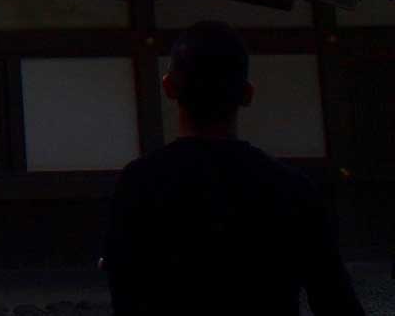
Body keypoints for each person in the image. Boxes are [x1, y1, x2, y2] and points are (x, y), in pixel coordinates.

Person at [104, 21, 363, 315]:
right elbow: (334, 298)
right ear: (247, 94)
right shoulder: (292, 188)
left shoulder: (138, 183)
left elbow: (124, 294)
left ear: (169, 87)